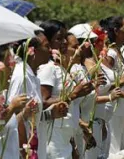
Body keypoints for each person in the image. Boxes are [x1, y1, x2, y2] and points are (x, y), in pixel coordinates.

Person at [38, 20, 94, 159]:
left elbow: (70, 108)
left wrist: (72, 143)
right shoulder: (48, 68)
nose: (64, 42)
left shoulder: (61, 68)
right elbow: (43, 103)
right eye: (58, 38)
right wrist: (73, 94)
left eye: (64, 38)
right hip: (53, 135)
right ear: (47, 41)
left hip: (65, 135)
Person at [9, 36, 68, 159]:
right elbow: (13, 117)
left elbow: (31, 117)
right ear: (33, 51)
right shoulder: (21, 76)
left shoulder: (33, 76)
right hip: (24, 150)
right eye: (46, 46)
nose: (51, 50)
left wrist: (50, 114)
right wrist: (25, 150)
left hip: (36, 146)